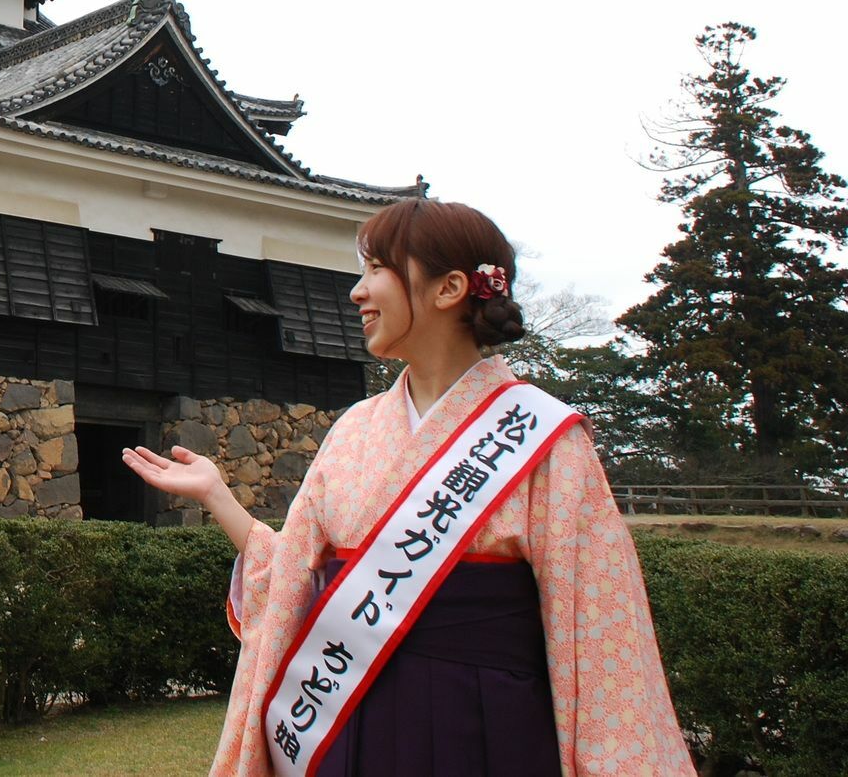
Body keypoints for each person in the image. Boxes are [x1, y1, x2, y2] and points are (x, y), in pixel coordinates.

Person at [124, 198, 692, 775]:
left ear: (448, 289)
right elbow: (295, 570)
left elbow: (599, 630)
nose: (356, 291)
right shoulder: (354, 430)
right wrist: (218, 494)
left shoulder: (546, 442)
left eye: (375, 269)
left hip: (483, 730)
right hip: (345, 727)